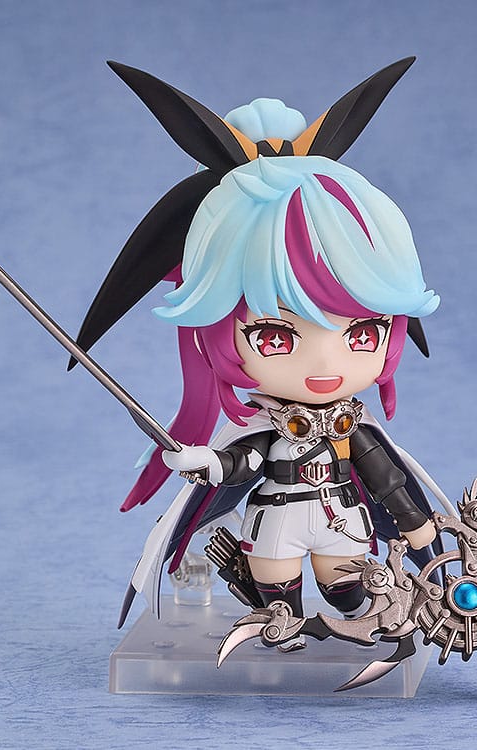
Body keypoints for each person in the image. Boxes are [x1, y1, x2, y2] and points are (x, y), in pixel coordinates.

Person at [71, 60, 445, 646]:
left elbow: (388, 481)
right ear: (219, 332)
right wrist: (210, 464)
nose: (326, 365)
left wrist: (422, 537)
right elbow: (244, 463)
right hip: (276, 520)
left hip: (344, 520)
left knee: (348, 586)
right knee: (276, 582)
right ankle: (281, 621)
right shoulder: (266, 428)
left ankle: (359, 621)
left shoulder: (355, 429)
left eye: (362, 334)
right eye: (276, 337)